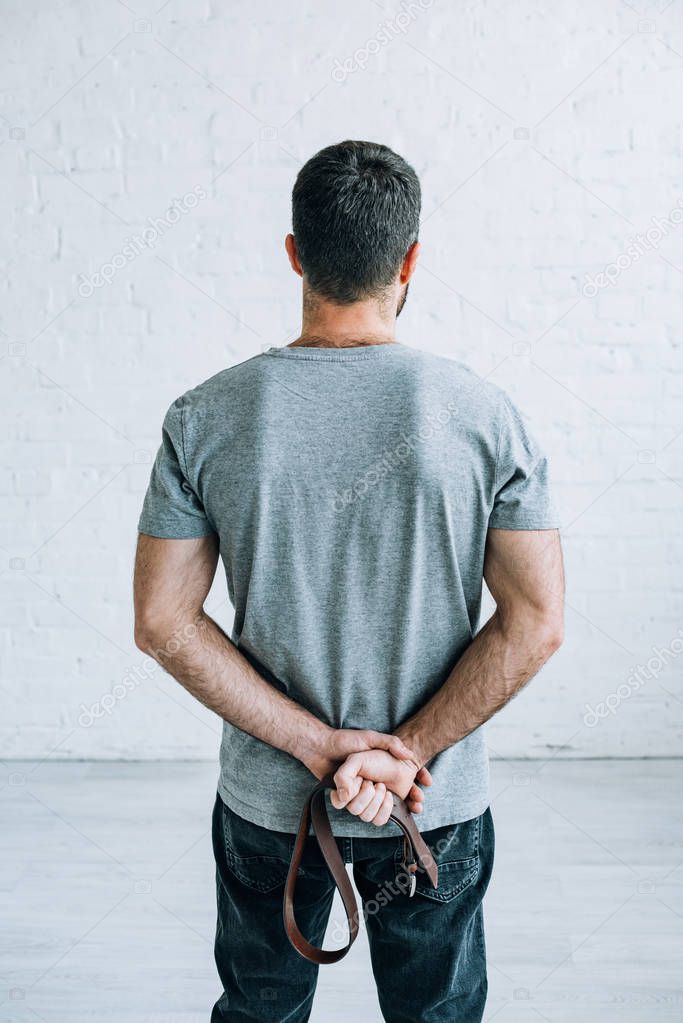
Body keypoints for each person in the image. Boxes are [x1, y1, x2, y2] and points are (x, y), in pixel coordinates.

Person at [133, 140, 564, 1023]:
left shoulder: (204, 415)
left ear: (293, 252)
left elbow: (162, 620)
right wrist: (405, 752)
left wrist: (316, 747)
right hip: (431, 802)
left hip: (268, 803)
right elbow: (536, 622)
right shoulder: (486, 416)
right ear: (409, 261)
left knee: (259, 1011)